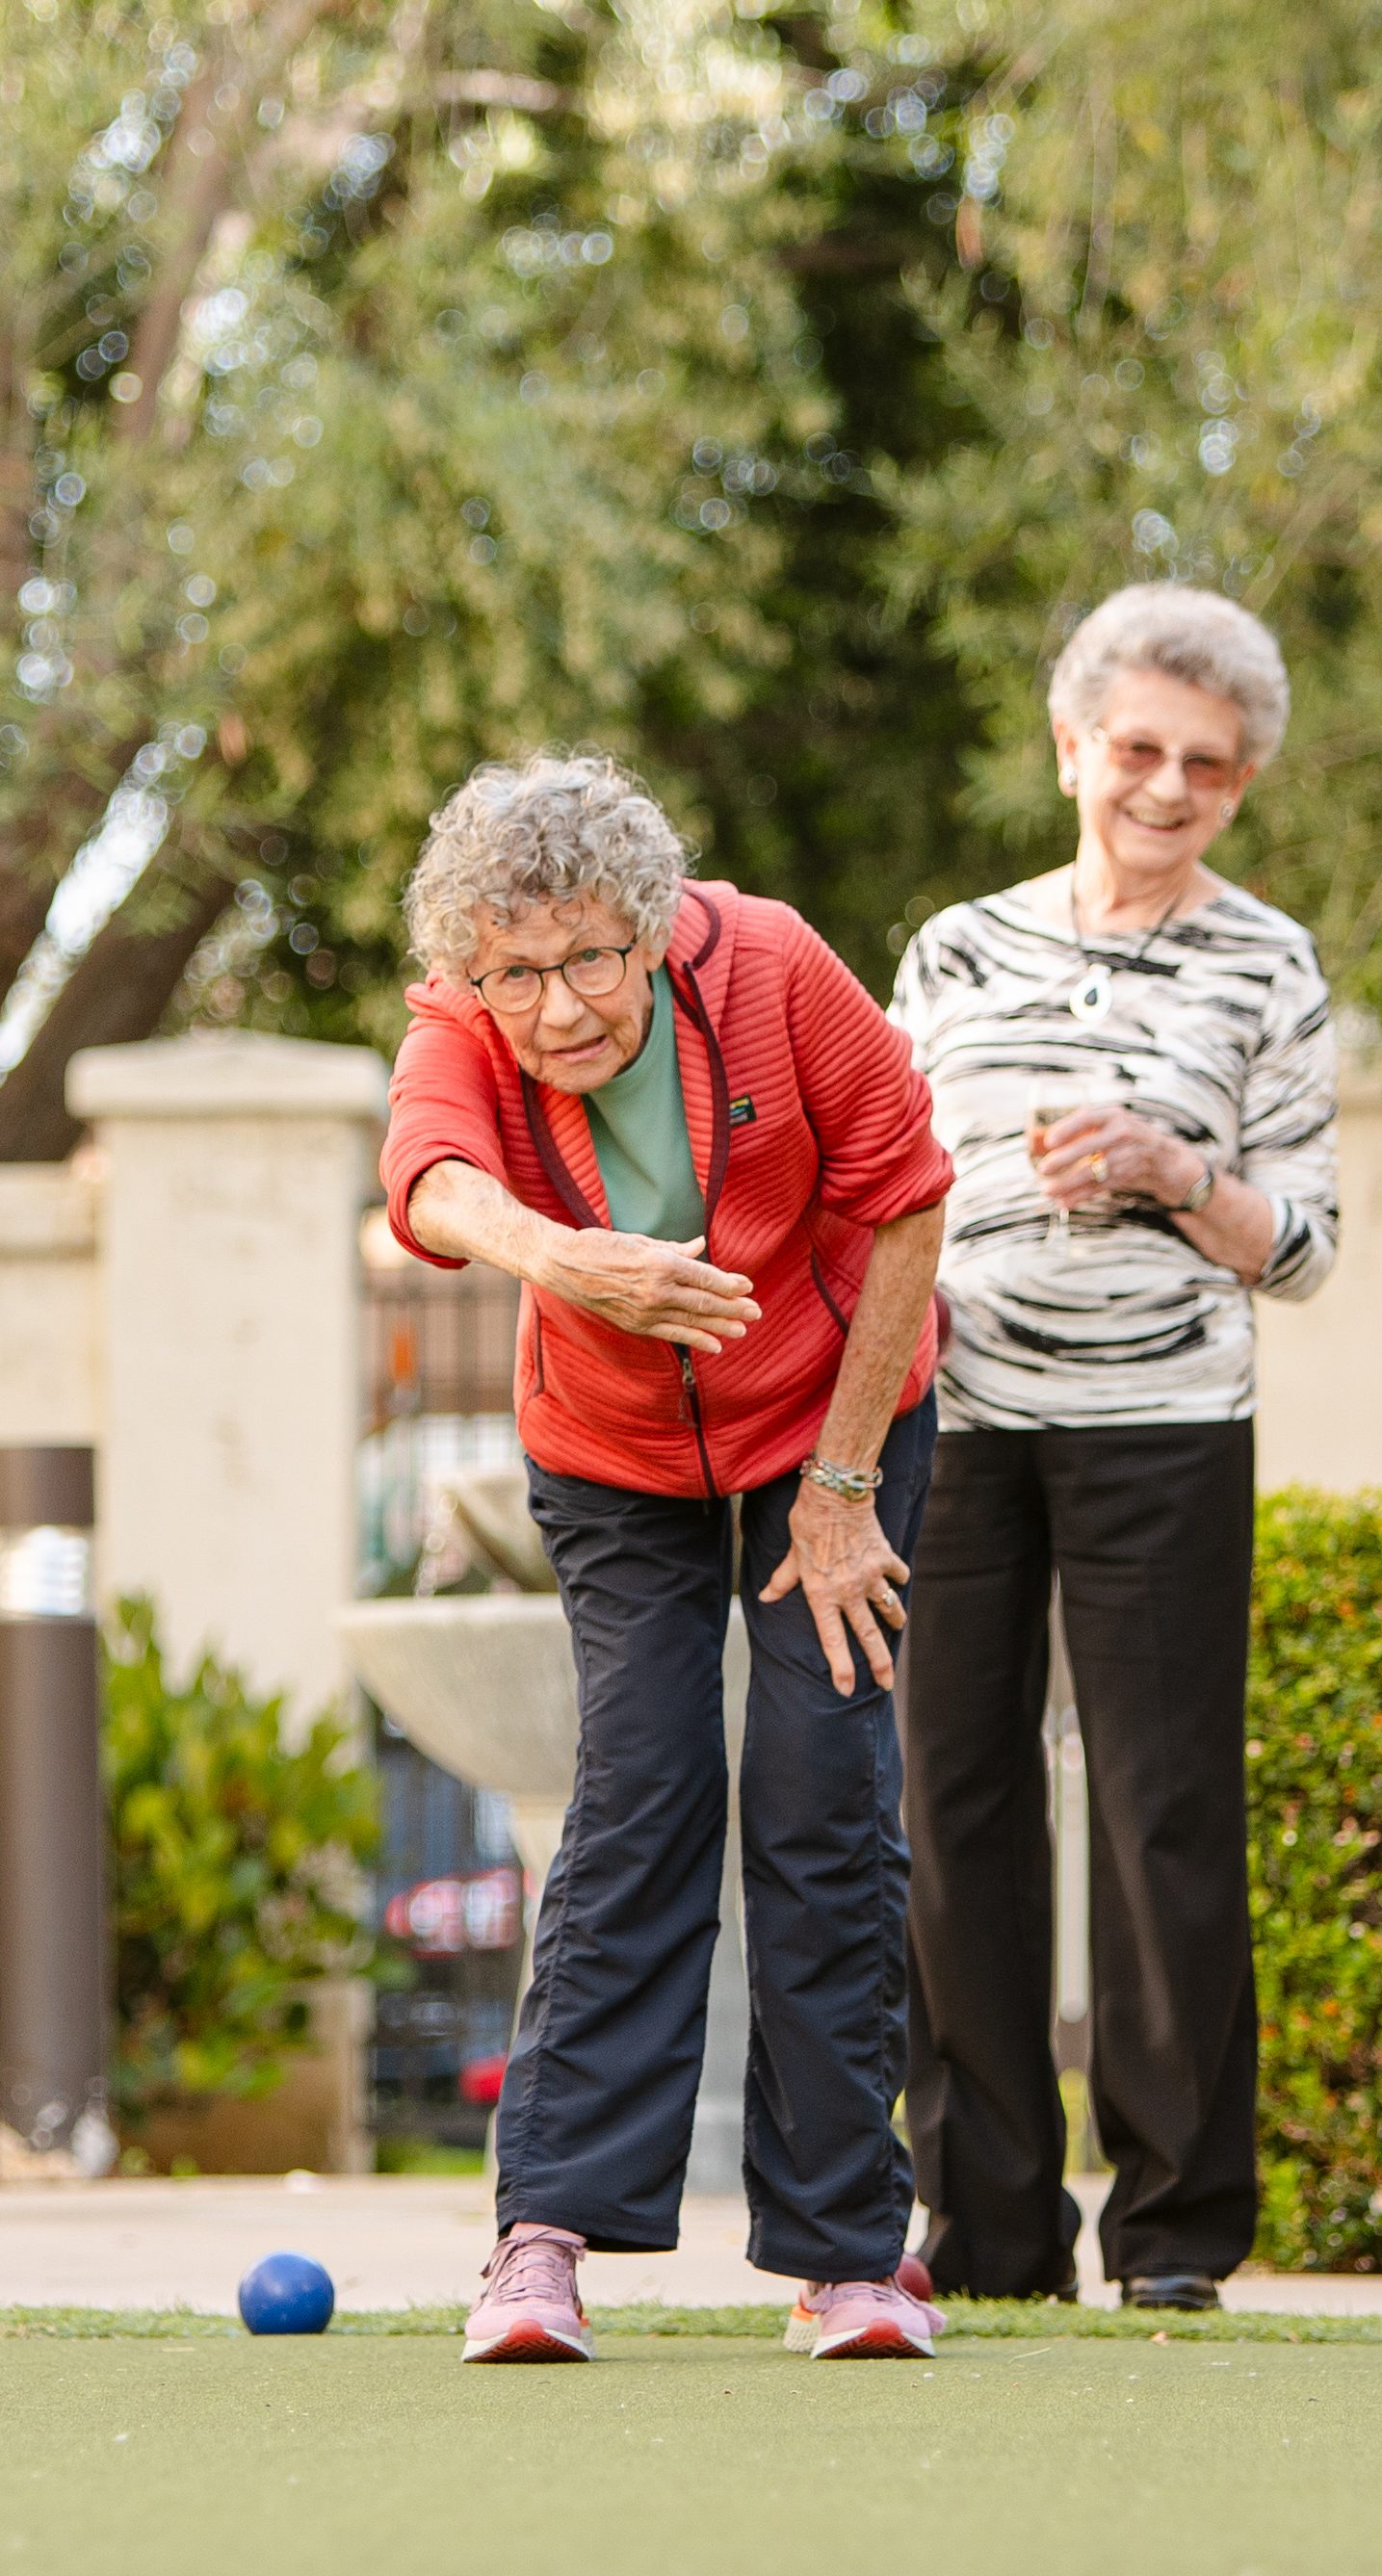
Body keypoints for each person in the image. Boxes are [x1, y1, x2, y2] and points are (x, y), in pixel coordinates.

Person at [379, 758, 959, 2362]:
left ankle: (846, 2257)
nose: (555, 1008)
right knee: (639, 1794)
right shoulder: (464, 1018)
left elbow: (910, 1200)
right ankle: (540, 2242)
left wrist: (843, 1489)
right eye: (512, 974)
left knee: (821, 1790)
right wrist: (564, 1260)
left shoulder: (770, 964)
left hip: (827, 1424)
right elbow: (427, 1178)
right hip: (613, 1446)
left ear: (649, 932)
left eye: (586, 960)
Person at [888, 583, 1337, 2313]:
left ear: (1240, 786)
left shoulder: (1268, 962)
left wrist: (1173, 1171)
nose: (1165, 787)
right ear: (1071, 745)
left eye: (1206, 767)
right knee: (956, 1812)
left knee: (1162, 1821)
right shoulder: (957, 949)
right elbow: (887, 1190)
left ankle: (1173, 2239)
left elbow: (1305, 1246)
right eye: (1137, 748)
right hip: (964, 1420)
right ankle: (989, 2233)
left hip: (1167, 1426)